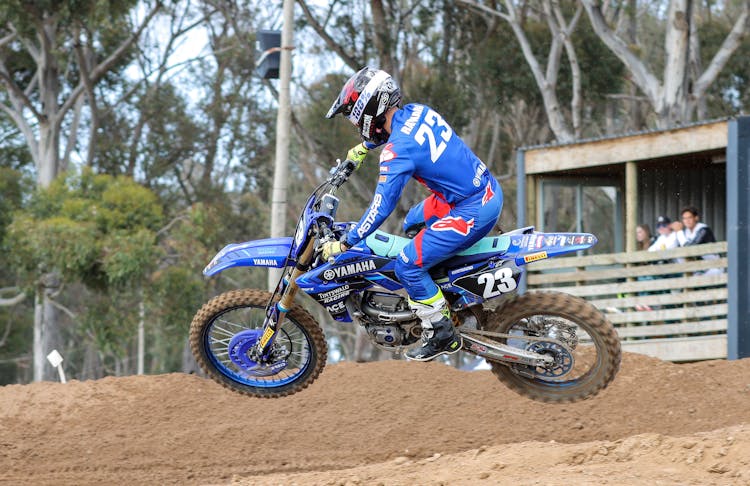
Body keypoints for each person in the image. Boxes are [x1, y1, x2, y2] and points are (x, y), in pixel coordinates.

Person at [322, 66, 503, 361]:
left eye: (354, 114)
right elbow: (402, 134)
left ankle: (442, 331)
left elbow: (381, 207)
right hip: (481, 190)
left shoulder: (397, 153)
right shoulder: (419, 111)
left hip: (472, 208)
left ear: (369, 108)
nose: (355, 122)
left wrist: (346, 243)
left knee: (406, 264)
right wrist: (364, 147)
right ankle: (446, 292)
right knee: (413, 221)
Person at [675, 206, 722, 275]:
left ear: (696, 218)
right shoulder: (686, 232)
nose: (687, 221)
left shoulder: (703, 229)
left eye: (690, 217)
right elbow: (679, 249)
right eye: (684, 218)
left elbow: (690, 248)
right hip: (700, 269)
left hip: (714, 267)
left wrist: (679, 232)